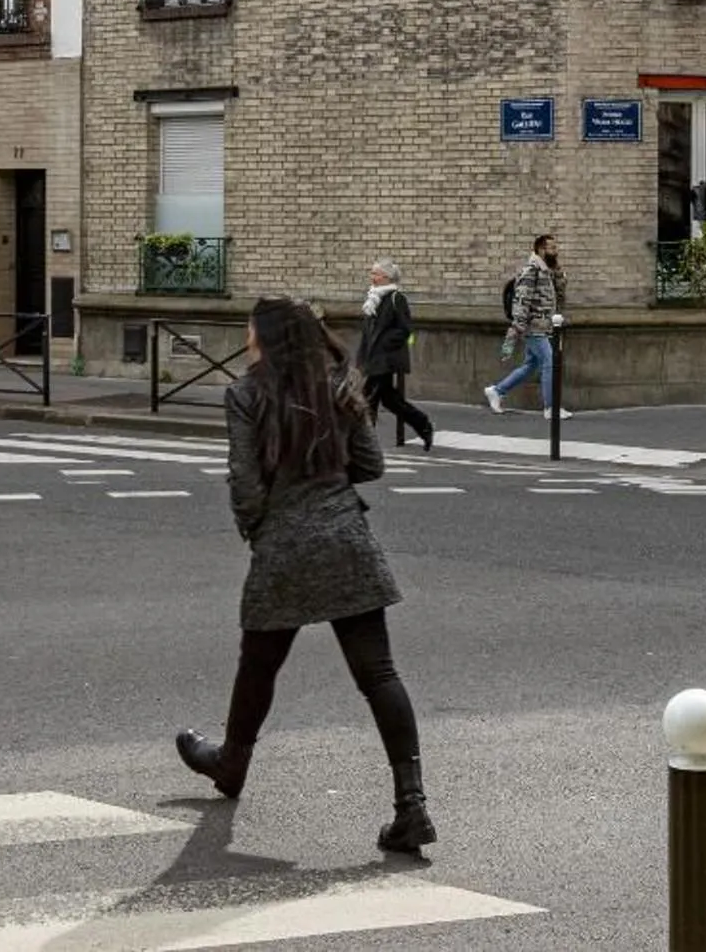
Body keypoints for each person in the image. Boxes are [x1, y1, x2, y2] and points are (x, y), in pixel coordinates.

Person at [176, 297, 434, 856]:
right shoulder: (340, 382)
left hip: (284, 546)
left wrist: (263, 534)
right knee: (379, 673)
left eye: (250, 327)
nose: (247, 335)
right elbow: (371, 465)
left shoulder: (246, 393)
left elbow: (244, 485)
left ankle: (232, 763)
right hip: (346, 538)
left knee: (259, 664)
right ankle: (411, 803)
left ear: (264, 336)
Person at [355, 260, 434, 453]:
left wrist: (384, 344)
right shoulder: (372, 299)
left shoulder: (396, 298)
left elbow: (405, 328)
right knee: (390, 400)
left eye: (376, 274)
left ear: (387, 278)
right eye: (372, 273)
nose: (372, 277)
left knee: (367, 398)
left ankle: (365, 445)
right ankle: (422, 423)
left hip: (385, 359)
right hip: (373, 357)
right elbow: (367, 333)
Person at [483, 232, 562, 415]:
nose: (556, 251)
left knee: (530, 365)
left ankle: (497, 391)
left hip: (543, 325)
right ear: (542, 250)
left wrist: (558, 272)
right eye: (552, 248)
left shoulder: (545, 270)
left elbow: (559, 294)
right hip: (534, 326)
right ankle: (551, 408)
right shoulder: (531, 270)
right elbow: (521, 300)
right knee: (549, 362)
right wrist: (518, 326)